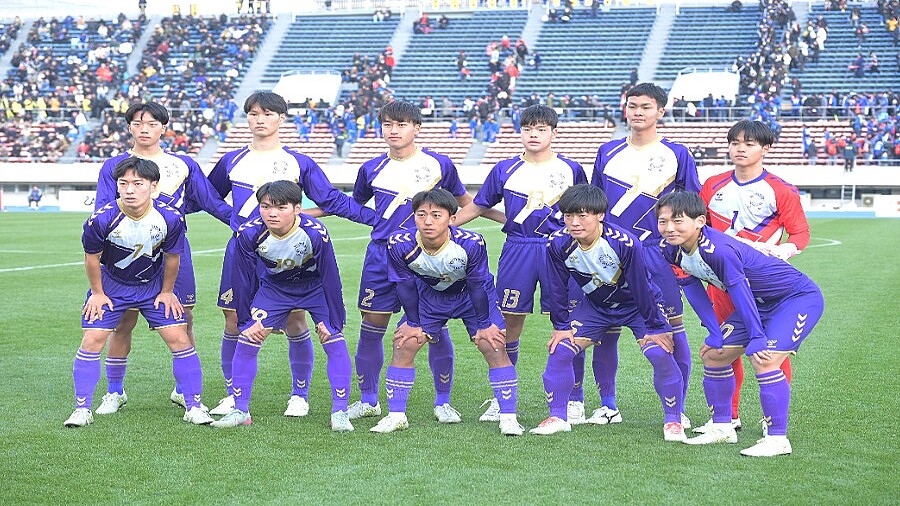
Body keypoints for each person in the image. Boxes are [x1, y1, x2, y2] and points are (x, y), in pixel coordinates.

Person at [207, 91, 377, 418]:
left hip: (289, 250)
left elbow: (331, 200)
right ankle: (232, 394)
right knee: (233, 319)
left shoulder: (299, 162)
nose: (260, 120)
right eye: (254, 114)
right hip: (245, 249)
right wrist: (234, 219)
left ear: (281, 118)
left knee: (295, 318)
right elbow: (207, 196)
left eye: (268, 114)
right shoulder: (231, 160)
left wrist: (376, 219)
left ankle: (299, 395)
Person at [343, 100, 489, 423]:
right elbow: (357, 204)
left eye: (402, 124)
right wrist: (376, 221)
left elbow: (465, 202)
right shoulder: (370, 168)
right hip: (382, 254)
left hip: (428, 257)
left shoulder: (439, 164)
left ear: (417, 128)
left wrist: (455, 226)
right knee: (372, 328)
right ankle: (368, 400)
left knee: (434, 327)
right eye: (387, 124)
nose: (393, 131)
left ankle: (443, 402)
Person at [656, 191, 824, 456]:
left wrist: (757, 336)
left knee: (764, 359)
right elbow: (693, 289)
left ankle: (778, 439)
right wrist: (714, 332)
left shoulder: (719, 250)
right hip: (759, 303)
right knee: (714, 354)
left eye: (678, 221)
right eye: (663, 221)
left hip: (796, 299)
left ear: (700, 221)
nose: (669, 228)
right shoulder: (670, 249)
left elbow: (740, 292)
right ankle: (722, 428)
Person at [91, 101, 233, 415]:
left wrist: (245, 224)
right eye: (138, 123)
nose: (145, 129)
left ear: (164, 128)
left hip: (171, 251)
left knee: (184, 317)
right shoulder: (113, 165)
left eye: (152, 123)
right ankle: (114, 391)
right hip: (125, 253)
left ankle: (184, 390)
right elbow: (102, 209)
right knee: (123, 321)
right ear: (129, 127)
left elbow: (211, 202)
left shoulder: (182, 164)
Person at [453, 105, 587, 422]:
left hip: (561, 249)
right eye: (527, 129)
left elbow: (586, 210)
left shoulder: (571, 169)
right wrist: (449, 225)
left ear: (554, 133)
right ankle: (503, 396)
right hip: (518, 248)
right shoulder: (504, 169)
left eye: (541, 129)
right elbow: (479, 205)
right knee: (509, 321)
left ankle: (574, 399)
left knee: (569, 323)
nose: (533, 135)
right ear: (520, 132)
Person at [65, 157, 213, 428]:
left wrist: (167, 292)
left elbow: (173, 258)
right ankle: (82, 409)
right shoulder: (101, 219)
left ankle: (194, 406)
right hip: (112, 286)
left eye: (138, 183)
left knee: (179, 338)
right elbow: (91, 258)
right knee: (92, 340)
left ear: (153, 186)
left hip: (152, 286)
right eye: (123, 184)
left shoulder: (170, 217)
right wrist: (97, 293)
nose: (129, 190)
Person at [531, 185, 685, 441]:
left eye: (582, 216)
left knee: (659, 351)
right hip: (596, 307)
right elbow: (556, 286)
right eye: (568, 216)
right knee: (560, 349)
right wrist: (561, 326)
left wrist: (656, 327)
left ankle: (674, 420)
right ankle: (558, 417)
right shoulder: (557, 243)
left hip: (636, 306)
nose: (574, 222)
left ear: (600, 215)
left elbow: (642, 287)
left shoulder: (624, 243)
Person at [588, 82, 699, 428]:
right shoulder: (607, 151)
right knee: (606, 329)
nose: (638, 112)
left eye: (646, 106)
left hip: (657, 254)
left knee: (672, 330)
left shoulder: (677, 154)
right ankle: (608, 406)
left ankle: (678, 408)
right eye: (632, 105)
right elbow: (595, 204)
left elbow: (693, 206)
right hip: (609, 254)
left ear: (660, 112)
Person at [369, 189, 523, 436]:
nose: (428, 221)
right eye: (421, 214)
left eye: (436, 215)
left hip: (471, 296)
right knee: (405, 343)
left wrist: (484, 324)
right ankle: (396, 416)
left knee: (493, 344)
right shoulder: (399, 243)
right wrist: (413, 322)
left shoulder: (471, 243)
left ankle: (508, 418)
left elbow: (476, 285)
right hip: (430, 297)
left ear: (452, 219)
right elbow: (405, 285)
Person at [694, 120, 810, 434]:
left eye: (749, 143)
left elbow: (800, 233)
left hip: (763, 285)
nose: (740, 149)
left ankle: (773, 419)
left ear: (765, 149)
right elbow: (699, 227)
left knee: (771, 349)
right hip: (721, 283)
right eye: (735, 143)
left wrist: (783, 251)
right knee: (724, 347)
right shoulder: (713, 184)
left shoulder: (781, 189)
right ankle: (728, 416)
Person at [210, 181, 353, 431]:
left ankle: (340, 412)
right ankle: (240, 410)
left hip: (314, 288)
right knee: (247, 339)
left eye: (280, 207)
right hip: (275, 290)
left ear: (297, 208)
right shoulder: (248, 233)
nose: (272, 213)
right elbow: (242, 279)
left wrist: (335, 321)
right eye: (265, 207)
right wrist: (245, 321)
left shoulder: (315, 232)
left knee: (334, 340)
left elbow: (331, 277)